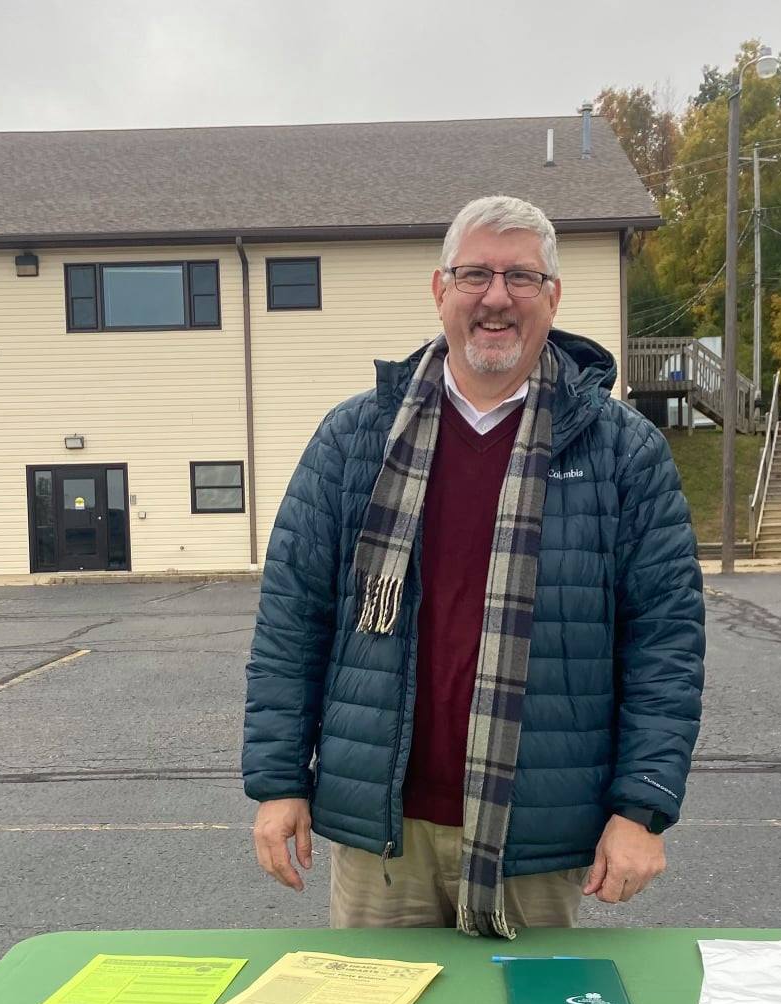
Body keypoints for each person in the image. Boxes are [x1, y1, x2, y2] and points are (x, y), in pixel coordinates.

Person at [243, 194, 704, 937]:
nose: (496, 298)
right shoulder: (354, 439)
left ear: (553, 296)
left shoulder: (624, 453)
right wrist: (278, 781)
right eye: (475, 275)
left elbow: (665, 643)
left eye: (522, 277)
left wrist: (641, 806)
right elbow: (292, 621)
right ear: (441, 290)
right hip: (384, 837)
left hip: (540, 839)